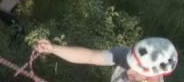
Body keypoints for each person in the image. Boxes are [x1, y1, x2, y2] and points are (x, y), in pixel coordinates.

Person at [35, 37, 179, 82]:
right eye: (130, 64)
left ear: (153, 76)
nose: (128, 70)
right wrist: (54, 49)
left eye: (135, 71)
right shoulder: (126, 56)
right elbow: (90, 56)